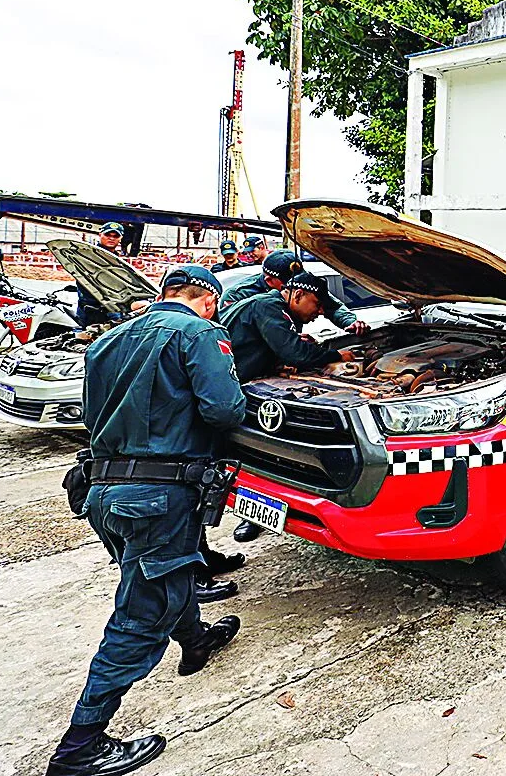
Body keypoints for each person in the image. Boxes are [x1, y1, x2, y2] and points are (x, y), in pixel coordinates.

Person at [46, 266, 246, 776]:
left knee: (152, 574)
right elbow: (224, 411)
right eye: (214, 306)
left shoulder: (106, 340)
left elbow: (93, 415)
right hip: (158, 495)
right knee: (141, 614)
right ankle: (80, 745)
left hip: (102, 492)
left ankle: (195, 640)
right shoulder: (198, 332)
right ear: (207, 300)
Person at [221, 271, 356, 542]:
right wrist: (335, 355)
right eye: (316, 304)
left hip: (245, 385)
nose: (319, 312)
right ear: (297, 294)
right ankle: (252, 515)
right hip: (234, 390)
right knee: (258, 458)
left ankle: (279, 508)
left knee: (268, 459)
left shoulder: (273, 307)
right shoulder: (269, 306)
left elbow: (273, 347)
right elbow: (294, 352)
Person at [219, 250, 368, 336]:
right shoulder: (237, 295)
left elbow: (329, 304)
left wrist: (350, 322)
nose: (295, 288)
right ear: (270, 281)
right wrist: (288, 339)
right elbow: (231, 335)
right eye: (287, 284)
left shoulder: (302, 282)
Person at [72, 223, 127, 327]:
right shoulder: (87, 255)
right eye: (107, 235)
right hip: (88, 309)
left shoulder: (118, 261)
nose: (111, 238)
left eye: (115, 236)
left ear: (121, 238)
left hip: (112, 308)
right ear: (100, 234)